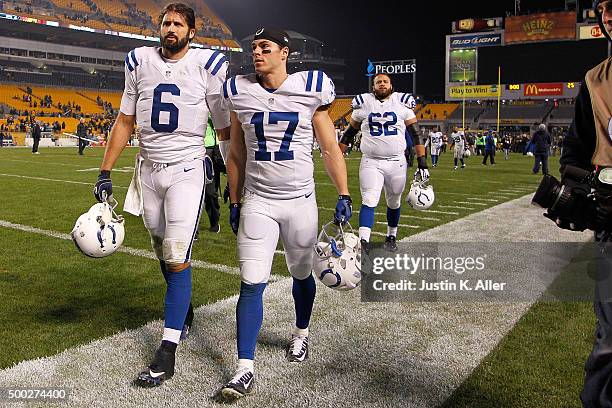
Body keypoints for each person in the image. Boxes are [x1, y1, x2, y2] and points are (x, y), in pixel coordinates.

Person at [91, 3, 230, 387]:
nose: (171, 29)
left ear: (191, 31)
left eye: (178, 24)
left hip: (186, 169)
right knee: (161, 250)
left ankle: (166, 352)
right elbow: (124, 120)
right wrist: (105, 171)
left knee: (176, 252)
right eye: (166, 22)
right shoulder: (138, 61)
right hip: (148, 170)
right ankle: (181, 311)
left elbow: (224, 130)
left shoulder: (209, 65)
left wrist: (235, 179)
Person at [220, 28, 351, 401]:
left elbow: (328, 147)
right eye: (254, 48)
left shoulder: (310, 88)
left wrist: (343, 192)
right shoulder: (239, 90)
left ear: (285, 53)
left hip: (299, 201)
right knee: (250, 282)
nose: (257, 53)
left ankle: (301, 333)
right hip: (259, 201)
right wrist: (234, 200)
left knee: (300, 273)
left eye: (265, 48)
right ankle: (244, 368)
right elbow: (237, 154)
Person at [559, 3, 612, 405]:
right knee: (611, 339)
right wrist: (575, 191)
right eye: (606, 8)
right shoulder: (596, 79)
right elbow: (575, 150)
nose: (610, 15)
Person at [339, 73, 428, 252]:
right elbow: (349, 134)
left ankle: (391, 236)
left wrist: (422, 162)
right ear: (373, 86)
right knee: (369, 200)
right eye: (378, 82)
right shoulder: (363, 105)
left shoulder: (402, 104)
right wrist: (337, 155)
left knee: (394, 202)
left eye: (385, 81)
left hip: (397, 162)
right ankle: (363, 243)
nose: (381, 84)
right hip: (371, 162)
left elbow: (416, 134)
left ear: (390, 85)